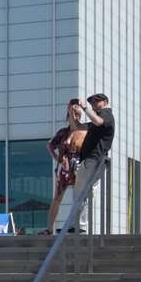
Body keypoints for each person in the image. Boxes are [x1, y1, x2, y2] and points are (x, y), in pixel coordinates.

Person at [60, 94, 114, 232]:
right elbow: (78, 126)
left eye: (97, 101)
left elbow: (98, 121)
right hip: (89, 160)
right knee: (80, 193)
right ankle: (78, 225)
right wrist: (71, 112)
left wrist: (84, 107)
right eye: (92, 102)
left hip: (95, 159)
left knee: (85, 192)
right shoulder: (97, 119)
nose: (94, 104)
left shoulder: (106, 113)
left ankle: (81, 226)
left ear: (105, 102)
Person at [42, 100, 86, 234]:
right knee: (57, 197)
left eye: (77, 115)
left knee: (80, 197)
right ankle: (49, 228)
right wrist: (58, 159)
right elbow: (50, 145)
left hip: (78, 166)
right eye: (73, 115)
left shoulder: (84, 131)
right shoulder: (63, 132)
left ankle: (78, 225)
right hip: (65, 167)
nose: (74, 117)